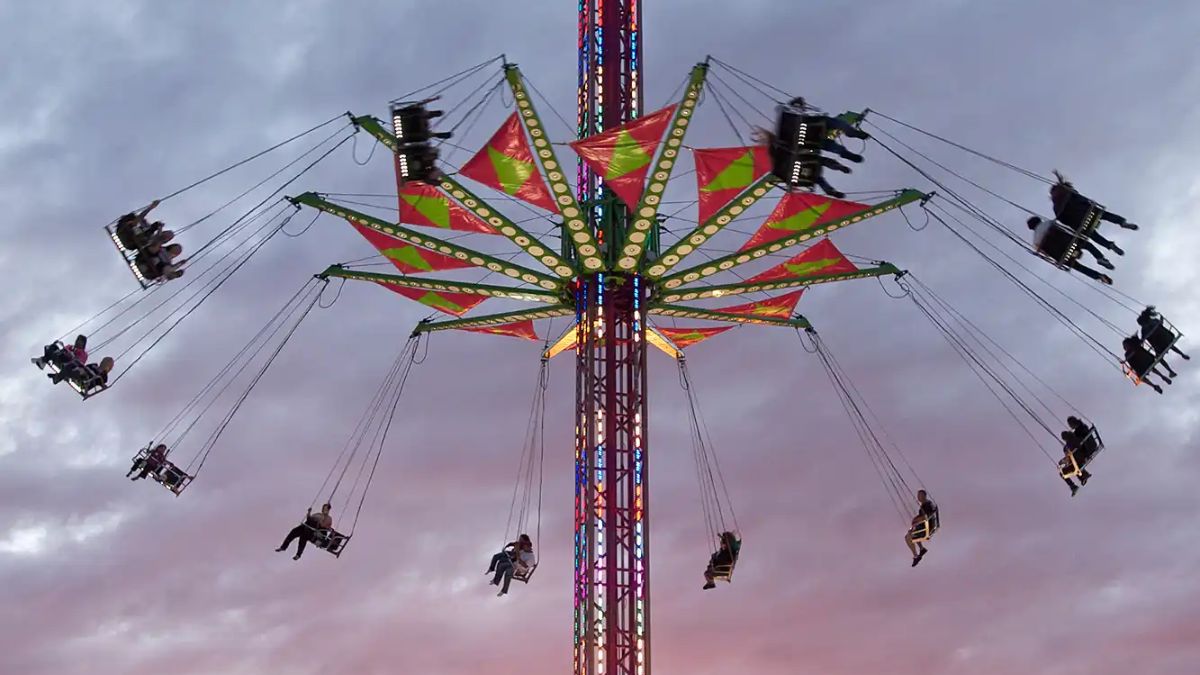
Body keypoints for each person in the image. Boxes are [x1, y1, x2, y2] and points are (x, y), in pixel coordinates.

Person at [1027, 216, 1113, 284]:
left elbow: (1044, 254)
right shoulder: (1048, 223)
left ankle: (1099, 276)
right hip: (1071, 243)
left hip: (1063, 256)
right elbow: (1063, 228)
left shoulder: (1035, 241)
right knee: (1088, 245)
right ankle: (1100, 258)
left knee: (1079, 267)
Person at [1050, 171, 1139, 231]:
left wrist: (1073, 226)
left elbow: (1062, 219)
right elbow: (1072, 192)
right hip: (1087, 209)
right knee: (1105, 215)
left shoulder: (1056, 206)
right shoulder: (1066, 191)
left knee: (1092, 234)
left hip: (1079, 221)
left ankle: (1108, 246)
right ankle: (1122, 222)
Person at [904, 490, 937, 567]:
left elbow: (925, 517)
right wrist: (915, 519)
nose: (918, 498)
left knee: (908, 537)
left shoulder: (927, 505)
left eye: (920, 496)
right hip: (927, 526)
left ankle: (916, 556)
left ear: (924, 496)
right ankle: (922, 549)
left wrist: (916, 520)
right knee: (912, 531)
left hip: (927, 528)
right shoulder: (926, 504)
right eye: (918, 496)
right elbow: (923, 516)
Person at [49, 356, 113, 392]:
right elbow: (85, 367)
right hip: (79, 375)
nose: (103, 364)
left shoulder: (104, 376)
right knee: (72, 364)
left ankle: (59, 376)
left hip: (85, 383)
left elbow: (101, 382)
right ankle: (59, 376)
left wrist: (103, 385)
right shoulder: (94, 365)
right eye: (103, 362)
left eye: (106, 364)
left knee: (80, 371)